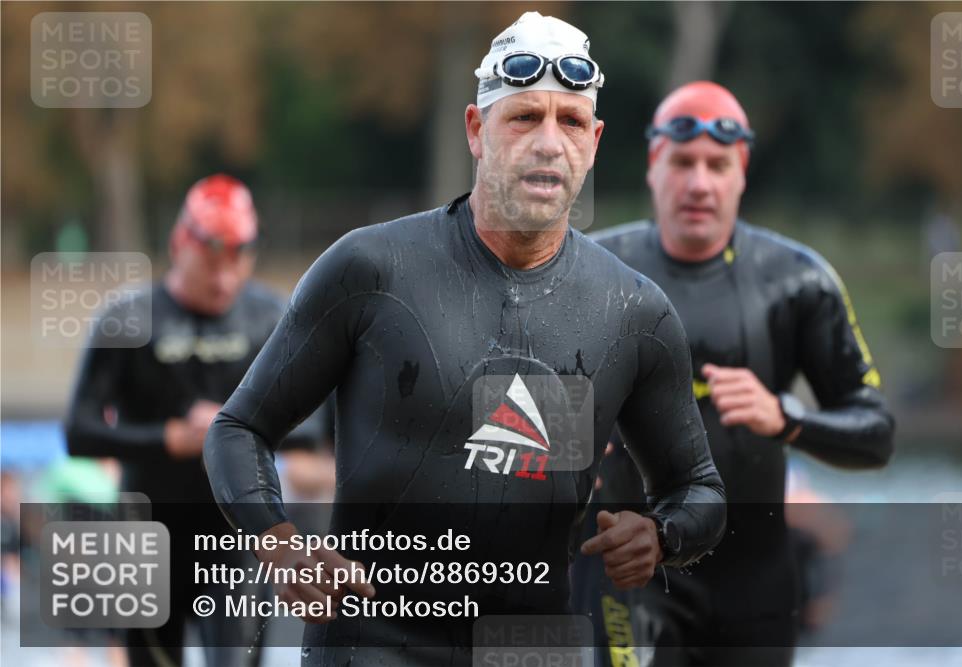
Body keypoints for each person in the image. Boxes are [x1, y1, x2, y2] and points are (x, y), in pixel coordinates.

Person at [203, 12, 726, 667]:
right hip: (372, 643)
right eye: (523, 117)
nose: (547, 141)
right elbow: (238, 428)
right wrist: (280, 542)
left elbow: (699, 487)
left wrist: (661, 533)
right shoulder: (370, 271)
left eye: (569, 122)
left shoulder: (633, 312)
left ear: (593, 142)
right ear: (477, 131)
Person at [583, 81, 895, 666]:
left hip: (755, 588)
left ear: (742, 171)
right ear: (653, 166)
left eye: (717, 164)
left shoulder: (797, 282)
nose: (699, 182)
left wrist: (786, 418)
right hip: (631, 574)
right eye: (682, 162)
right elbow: (504, 404)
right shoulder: (592, 271)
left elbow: (876, 433)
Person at [64, 174, 321, 667]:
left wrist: (235, 430)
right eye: (211, 263)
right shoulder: (129, 319)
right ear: (179, 244)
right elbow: (79, 432)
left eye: (237, 262)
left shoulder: (271, 318)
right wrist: (170, 438)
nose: (224, 279)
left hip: (237, 542)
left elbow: (310, 431)